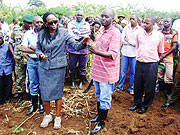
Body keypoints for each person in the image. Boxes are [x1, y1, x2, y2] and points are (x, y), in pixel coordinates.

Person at [35, 12, 89, 130]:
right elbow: (38, 48)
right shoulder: (41, 34)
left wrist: (83, 43)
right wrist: (40, 54)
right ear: (45, 24)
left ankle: (58, 117)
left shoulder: (64, 32)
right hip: (44, 67)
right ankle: (48, 115)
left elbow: (75, 45)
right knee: (44, 93)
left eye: (56, 22)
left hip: (58, 67)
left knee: (58, 93)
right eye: (51, 23)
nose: (54, 25)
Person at [87, 8, 121, 134]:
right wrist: (92, 44)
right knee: (99, 95)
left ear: (112, 19)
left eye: (106, 17)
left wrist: (96, 51)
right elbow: (99, 44)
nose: (103, 19)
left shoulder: (115, 33)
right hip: (97, 70)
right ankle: (98, 117)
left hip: (107, 72)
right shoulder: (101, 30)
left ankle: (101, 122)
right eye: (102, 16)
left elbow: (113, 54)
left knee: (105, 97)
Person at [128, 16, 164, 114]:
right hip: (139, 62)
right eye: (144, 22)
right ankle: (137, 103)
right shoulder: (139, 34)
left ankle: (145, 105)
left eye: (147, 23)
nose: (144, 24)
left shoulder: (159, 36)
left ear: (153, 24)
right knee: (138, 85)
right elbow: (138, 47)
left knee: (149, 86)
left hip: (151, 64)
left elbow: (160, 51)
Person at [21, 16, 44, 115]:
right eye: (37, 22)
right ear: (33, 23)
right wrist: (37, 50)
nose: (39, 24)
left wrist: (31, 46)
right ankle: (34, 105)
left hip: (41, 61)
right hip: (31, 60)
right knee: (33, 83)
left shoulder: (44, 34)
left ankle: (42, 105)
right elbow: (23, 48)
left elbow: (46, 49)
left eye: (41, 22)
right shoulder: (27, 34)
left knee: (42, 83)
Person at [9, 14, 33, 105]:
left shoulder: (32, 32)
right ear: (23, 22)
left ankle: (31, 94)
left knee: (31, 76)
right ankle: (20, 95)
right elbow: (10, 43)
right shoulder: (15, 31)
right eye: (28, 23)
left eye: (31, 23)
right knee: (19, 77)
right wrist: (13, 53)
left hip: (29, 58)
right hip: (19, 58)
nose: (30, 25)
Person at [116, 13, 143, 95]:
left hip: (134, 54)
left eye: (133, 19)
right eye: (130, 19)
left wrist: (128, 41)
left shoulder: (140, 30)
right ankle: (119, 87)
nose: (131, 20)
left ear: (137, 19)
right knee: (123, 72)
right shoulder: (126, 28)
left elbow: (138, 43)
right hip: (125, 53)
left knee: (133, 72)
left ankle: (131, 88)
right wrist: (130, 42)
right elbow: (122, 40)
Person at [66, 10, 90, 89]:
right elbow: (70, 34)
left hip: (83, 49)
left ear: (83, 16)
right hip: (73, 47)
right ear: (75, 16)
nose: (79, 16)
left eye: (81, 15)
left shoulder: (86, 24)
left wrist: (80, 37)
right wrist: (79, 37)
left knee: (82, 66)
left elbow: (87, 34)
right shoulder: (71, 24)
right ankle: (72, 81)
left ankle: (81, 82)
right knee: (72, 65)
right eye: (78, 15)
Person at [158, 18, 178, 97]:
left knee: (169, 75)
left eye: (167, 21)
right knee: (159, 74)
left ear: (171, 23)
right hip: (159, 56)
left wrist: (164, 55)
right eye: (164, 21)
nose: (166, 23)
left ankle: (167, 92)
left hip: (169, 57)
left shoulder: (173, 33)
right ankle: (160, 89)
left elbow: (174, 47)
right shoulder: (159, 32)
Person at [0, 32, 14, 105]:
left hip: (7, 67)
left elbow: (13, 55)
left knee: (8, 84)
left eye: (0, 38)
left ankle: (7, 98)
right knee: (1, 84)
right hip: (0, 68)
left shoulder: (8, 45)